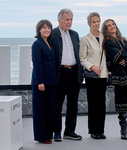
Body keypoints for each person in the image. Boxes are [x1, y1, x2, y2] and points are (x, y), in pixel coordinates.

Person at [51, 8, 83, 141]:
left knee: (73, 104)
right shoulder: (52, 34)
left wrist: (81, 73)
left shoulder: (75, 34)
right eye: (66, 19)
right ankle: (57, 132)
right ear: (59, 20)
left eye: (71, 19)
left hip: (74, 72)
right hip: (61, 73)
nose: (69, 22)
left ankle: (69, 131)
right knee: (57, 104)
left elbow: (80, 54)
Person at [79, 12, 107, 139]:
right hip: (91, 76)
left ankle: (101, 130)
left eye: (98, 21)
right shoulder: (85, 39)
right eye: (94, 22)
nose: (96, 24)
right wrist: (92, 67)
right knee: (93, 104)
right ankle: (93, 131)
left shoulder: (105, 37)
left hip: (103, 75)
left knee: (101, 104)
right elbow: (82, 58)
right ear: (89, 23)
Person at [31, 20, 56, 144]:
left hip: (51, 81)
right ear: (39, 30)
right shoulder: (37, 44)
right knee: (40, 110)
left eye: (49, 28)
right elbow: (36, 64)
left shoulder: (49, 42)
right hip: (41, 83)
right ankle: (42, 136)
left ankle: (48, 134)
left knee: (50, 109)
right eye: (44, 28)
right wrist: (40, 82)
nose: (47, 30)